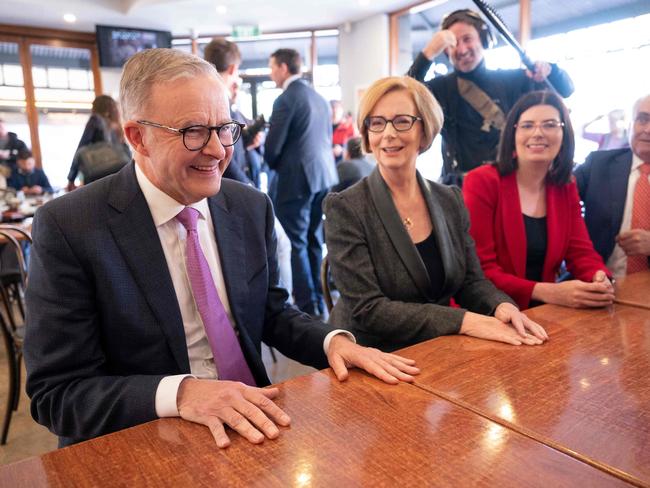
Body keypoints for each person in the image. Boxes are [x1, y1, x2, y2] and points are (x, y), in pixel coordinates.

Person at [24, 48, 419, 449]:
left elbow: (271, 312)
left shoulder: (248, 206)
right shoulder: (71, 226)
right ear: (137, 137)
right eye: (193, 131)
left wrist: (332, 342)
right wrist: (181, 393)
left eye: (226, 127)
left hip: (257, 424)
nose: (218, 150)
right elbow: (58, 393)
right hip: (147, 443)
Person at [323, 76, 547, 352]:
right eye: (377, 123)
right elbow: (368, 309)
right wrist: (465, 321)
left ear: (425, 130)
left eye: (402, 121)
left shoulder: (449, 199)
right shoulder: (345, 207)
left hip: (437, 350)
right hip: (373, 357)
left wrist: (500, 305)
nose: (388, 134)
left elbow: (470, 281)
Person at [463, 91, 613, 310]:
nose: (538, 133)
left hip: (544, 314)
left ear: (564, 134)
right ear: (512, 134)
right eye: (527, 125)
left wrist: (599, 277)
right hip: (488, 313)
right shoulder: (482, 181)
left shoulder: (565, 186)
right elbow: (480, 271)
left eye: (550, 125)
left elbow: (580, 253)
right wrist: (547, 291)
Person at [407, 9, 574, 185]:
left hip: (511, 183)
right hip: (460, 189)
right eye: (453, 43)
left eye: (467, 39)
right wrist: (427, 54)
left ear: (483, 39)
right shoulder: (439, 89)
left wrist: (551, 70)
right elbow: (403, 96)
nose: (461, 49)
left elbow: (566, 89)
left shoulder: (513, 80)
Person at [204, 38, 293, 296]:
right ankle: (282, 308)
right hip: (232, 193)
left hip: (230, 192)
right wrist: (253, 193)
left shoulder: (217, 100)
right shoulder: (220, 99)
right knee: (281, 245)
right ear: (233, 69)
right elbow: (224, 158)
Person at [264, 48, 338, 316]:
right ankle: (321, 300)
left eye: (273, 67)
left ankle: (310, 309)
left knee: (295, 243)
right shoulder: (319, 98)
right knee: (313, 241)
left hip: (297, 181)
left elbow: (272, 150)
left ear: (284, 68)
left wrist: (267, 157)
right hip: (323, 177)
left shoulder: (285, 99)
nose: (272, 73)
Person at [575, 94, 650, 278]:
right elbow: (554, 194)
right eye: (643, 119)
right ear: (631, 124)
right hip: (598, 284)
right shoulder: (598, 165)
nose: (648, 129)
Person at [203, 38, 264, 187]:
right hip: (230, 186)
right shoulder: (220, 101)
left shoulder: (205, 97)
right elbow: (222, 153)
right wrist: (247, 186)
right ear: (232, 69)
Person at [67, 95, 128, 190]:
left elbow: (81, 148)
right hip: (118, 175)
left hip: (97, 175)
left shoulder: (95, 120)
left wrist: (71, 178)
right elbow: (125, 151)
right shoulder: (117, 127)